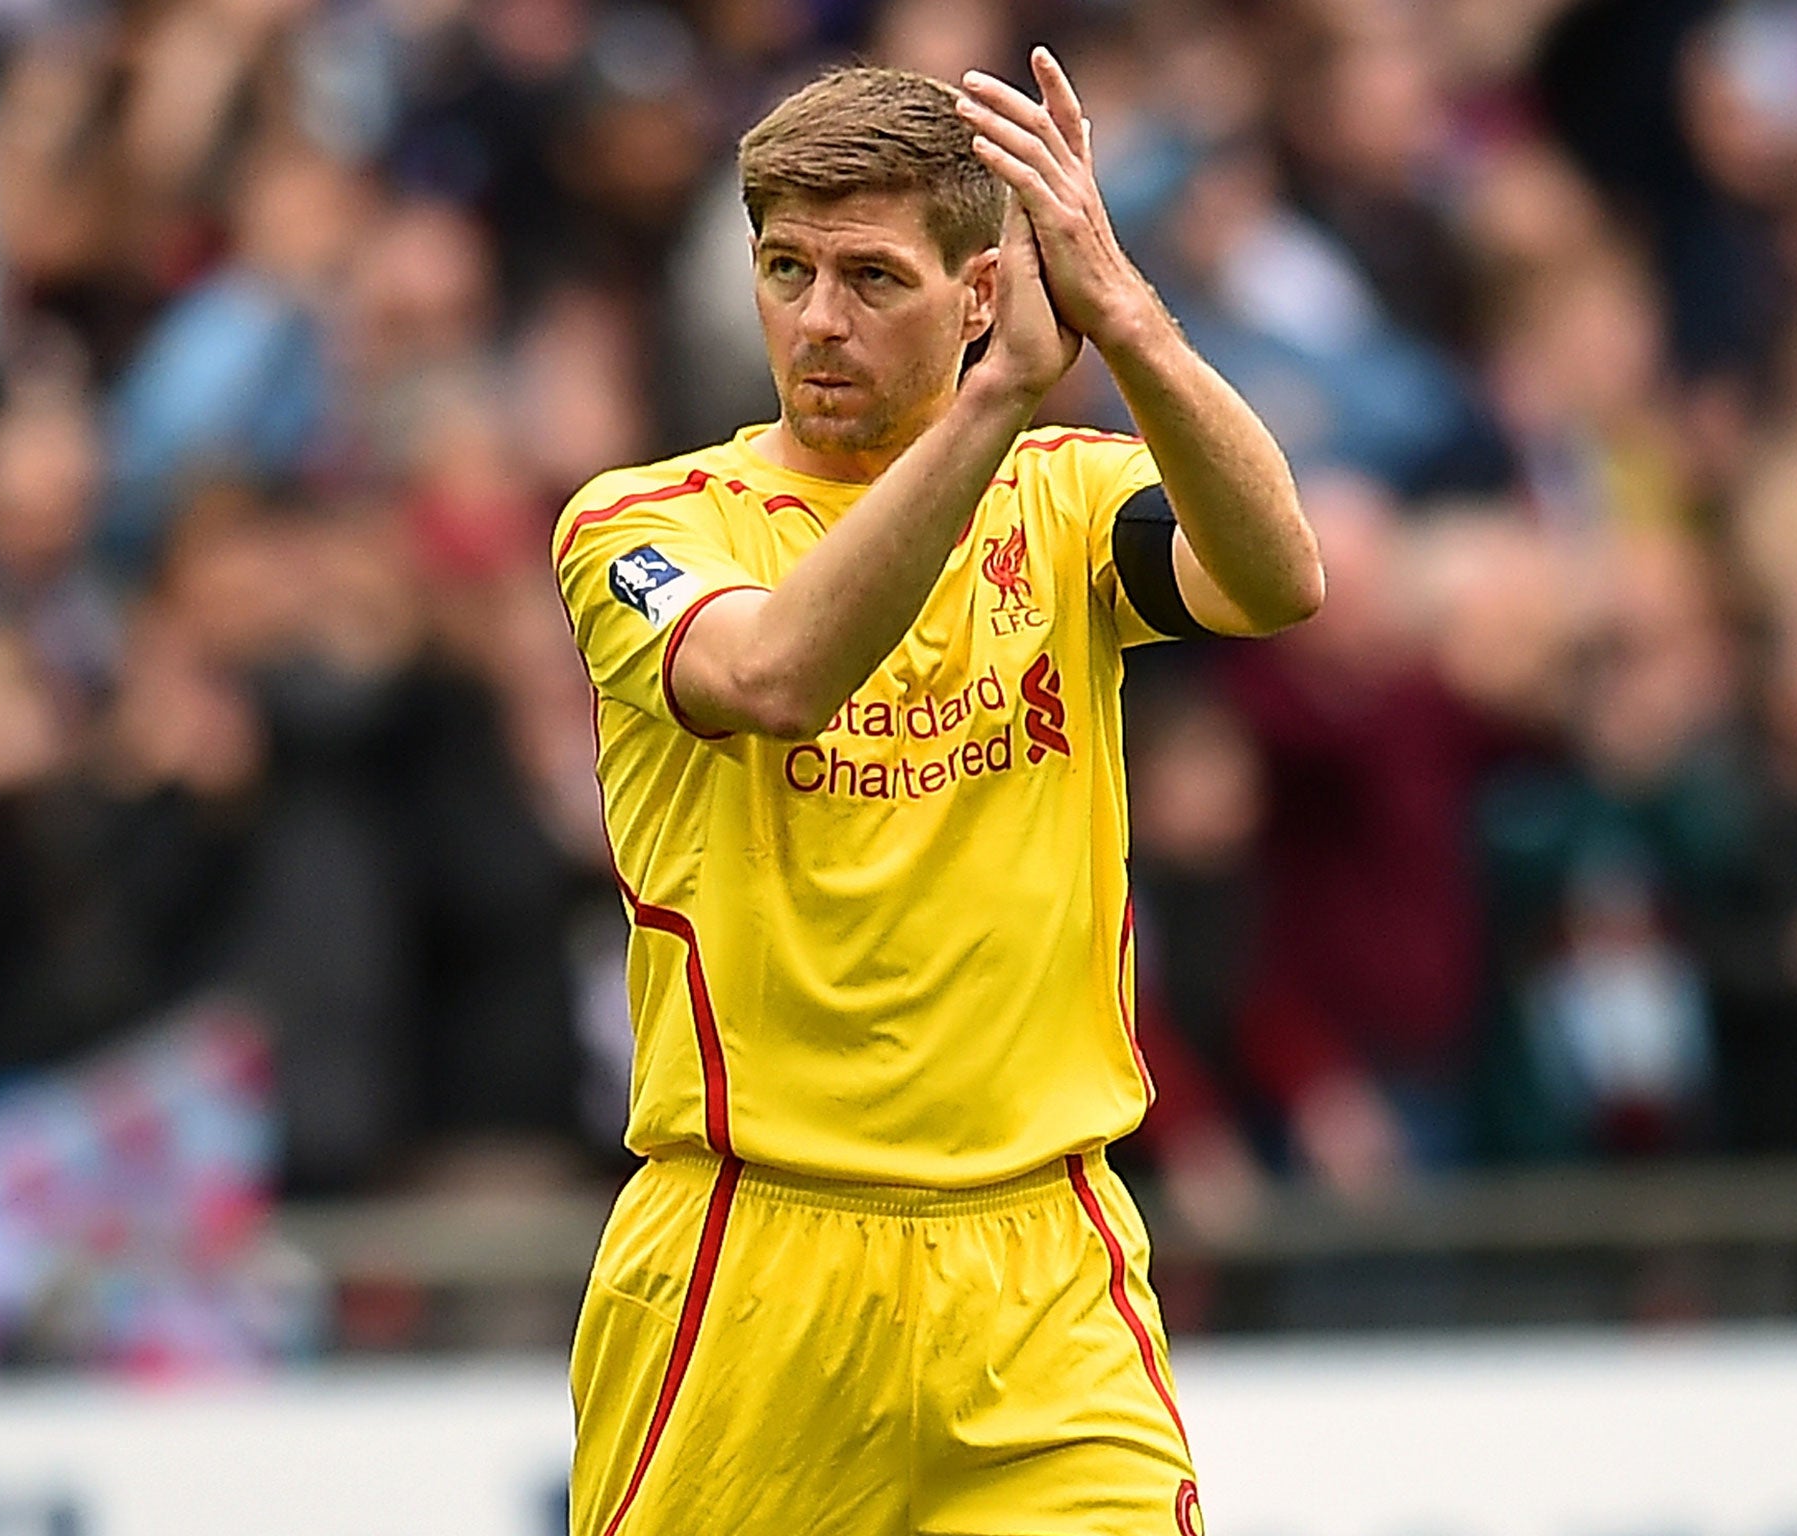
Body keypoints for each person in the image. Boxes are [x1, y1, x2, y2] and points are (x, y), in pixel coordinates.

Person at [551, 53, 1321, 1535]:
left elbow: (1279, 578)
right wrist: (996, 403)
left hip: (1043, 1267)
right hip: (748, 1266)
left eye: (872, 278)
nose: (819, 320)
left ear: (979, 292)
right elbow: (771, 677)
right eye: (787, 268)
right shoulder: (640, 524)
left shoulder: (1071, 503)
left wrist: (1123, 311)